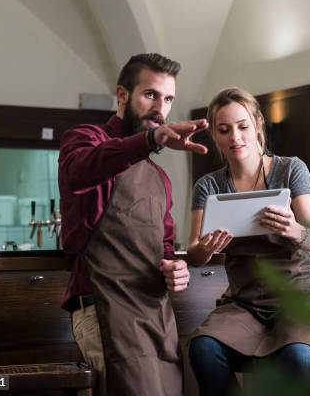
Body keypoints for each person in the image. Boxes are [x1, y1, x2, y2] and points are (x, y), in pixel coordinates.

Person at [58, 53, 208, 396]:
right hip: (104, 313)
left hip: (156, 317)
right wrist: (152, 140)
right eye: (151, 95)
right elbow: (79, 172)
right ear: (122, 94)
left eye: (168, 99)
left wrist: (176, 268)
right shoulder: (85, 138)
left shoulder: (160, 178)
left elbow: (165, 247)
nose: (160, 108)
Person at [187, 87, 310, 396]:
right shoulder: (209, 185)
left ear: (257, 124)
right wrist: (207, 247)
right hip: (244, 305)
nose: (235, 137)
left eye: (242, 126)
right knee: (203, 348)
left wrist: (295, 230)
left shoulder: (291, 169)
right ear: (214, 134)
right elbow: (194, 254)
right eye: (224, 130)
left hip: (299, 301)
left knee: (299, 357)